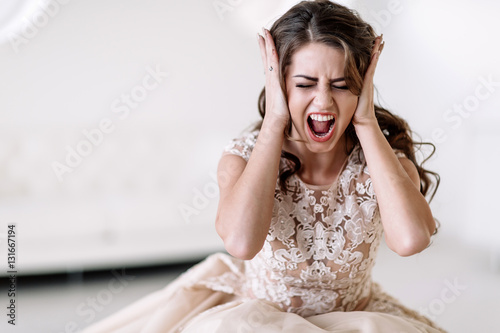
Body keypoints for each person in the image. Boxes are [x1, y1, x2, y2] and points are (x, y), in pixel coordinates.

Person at [83, 1, 446, 332]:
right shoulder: (240, 157)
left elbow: (411, 240)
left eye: (341, 85)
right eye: (304, 84)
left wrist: (366, 123)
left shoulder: (385, 162)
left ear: (362, 88)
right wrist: (275, 120)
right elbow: (241, 243)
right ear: (279, 85)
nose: (323, 100)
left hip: (356, 319)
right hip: (259, 316)